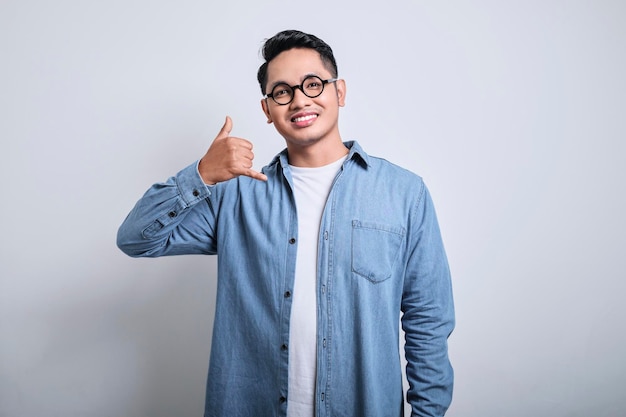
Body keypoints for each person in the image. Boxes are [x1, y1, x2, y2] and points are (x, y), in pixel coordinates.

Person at [117, 29, 454, 417]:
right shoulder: (236, 196)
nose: (299, 100)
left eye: (313, 85)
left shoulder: (403, 193)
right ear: (267, 109)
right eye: (282, 91)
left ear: (339, 92)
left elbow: (427, 318)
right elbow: (135, 239)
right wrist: (202, 174)